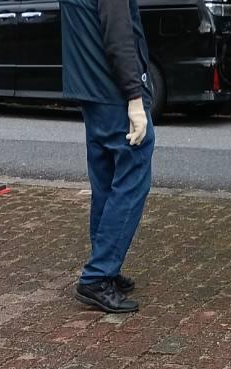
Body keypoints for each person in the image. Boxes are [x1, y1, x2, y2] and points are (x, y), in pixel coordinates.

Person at [61, 0, 155, 315]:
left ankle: (105, 268)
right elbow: (118, 34)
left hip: (90, 88)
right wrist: (134, 96)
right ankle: (99, 275)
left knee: (105, 182)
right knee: (131, 181)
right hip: (111, 88)